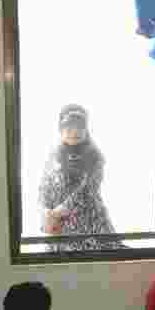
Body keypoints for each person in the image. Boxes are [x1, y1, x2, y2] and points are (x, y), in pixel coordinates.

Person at [38, 104, 123, 252]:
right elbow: (43, 188)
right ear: (60, 129)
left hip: (90, 228)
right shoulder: (53, 155)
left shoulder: (95, 156)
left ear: (86, 129)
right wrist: (45, 213)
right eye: (69, 127)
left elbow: (87, 192)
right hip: (58, 230)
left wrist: (57, 213)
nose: (74, 131)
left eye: (80, 126)